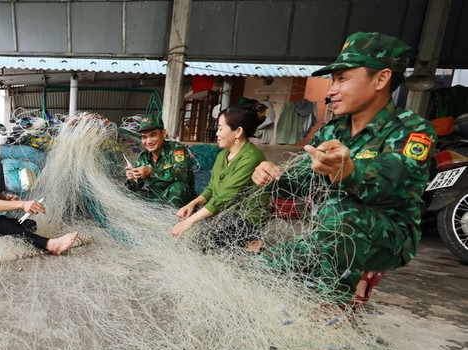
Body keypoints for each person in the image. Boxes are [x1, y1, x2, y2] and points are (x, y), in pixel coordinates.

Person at [251, 32, 437, 304]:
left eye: (343, 79)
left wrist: (349, 171)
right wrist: (272, 177)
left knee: (340, 211)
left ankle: (332, 305)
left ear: (381, 79)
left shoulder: (413, 129)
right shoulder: (332, 130)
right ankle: (348, 276)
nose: (331, 91)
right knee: (258, 270)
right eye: (332, 80)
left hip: (388, 236)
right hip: (328, 236)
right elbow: (300, 180)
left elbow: (391, 182)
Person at [0, 120, 78, 255]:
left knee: (28, 225)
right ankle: (50, 245)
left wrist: (7, 199)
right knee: (1, 223)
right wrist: (22, 204)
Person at [171, 104, 268, 246]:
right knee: (192, 235)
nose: (217, 133)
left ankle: (252, 244)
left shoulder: (251, 157)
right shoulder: (222, 155)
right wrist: (192, 204)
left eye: (221, 129)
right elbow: (211, 189)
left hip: (246, 218)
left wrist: (189, 222)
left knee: (201, 243)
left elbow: (224, 197)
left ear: (238, 131)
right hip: (224, 212)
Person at [125, 114, 196, 207]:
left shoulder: (176, 149)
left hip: (174, 200)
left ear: (163, 133)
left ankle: (173, 216)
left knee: (178, 188)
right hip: (155, 199)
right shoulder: (143, 157)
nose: (148, 141)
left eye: (153, 135)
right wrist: (131, 180)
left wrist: (151, 172)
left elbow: (182, 174)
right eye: (144, 137)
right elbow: (137, 187)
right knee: (128, 195)